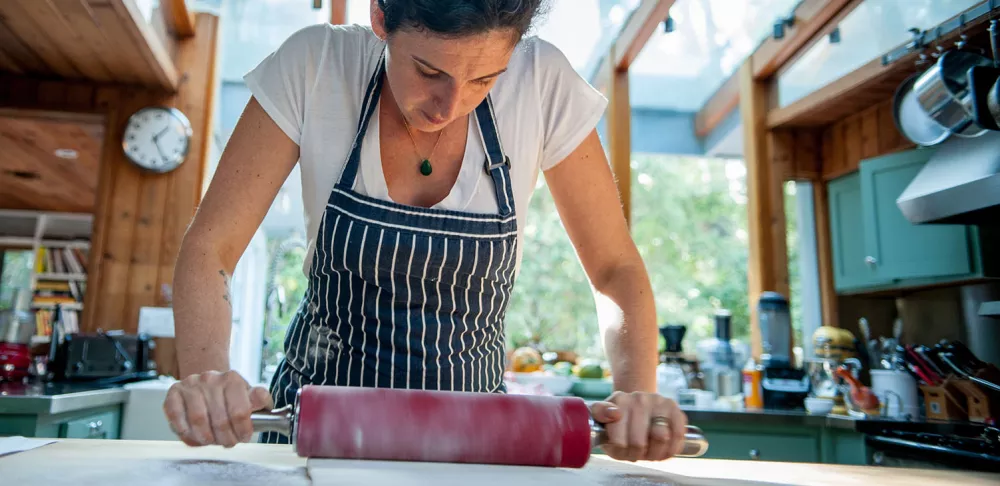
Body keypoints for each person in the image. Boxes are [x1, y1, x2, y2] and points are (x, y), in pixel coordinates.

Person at [163, 0, 688, 463]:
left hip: (473, 443)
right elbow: (212, 247)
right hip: (314, 433)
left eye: (485, 79)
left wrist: (636, 394)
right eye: (428, 70)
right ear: (380, 17)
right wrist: (208, 379)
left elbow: (614, 267)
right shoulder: (315, 65)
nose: (450, 104)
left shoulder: (541, 82)